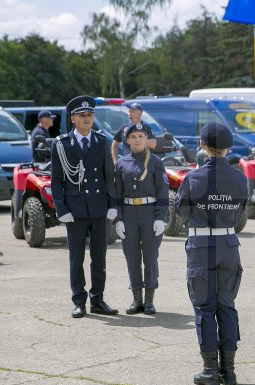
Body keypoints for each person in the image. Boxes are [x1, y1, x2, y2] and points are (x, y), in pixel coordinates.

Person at [174, 122, 248, 385]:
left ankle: (210, 371)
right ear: (227, 148)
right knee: (226, 305)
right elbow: (240, 211)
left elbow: (181, 213)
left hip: (202, 246)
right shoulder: (240, 177)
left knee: (205, 308)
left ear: (202, 146)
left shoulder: (192, 179)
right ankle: (229, 371)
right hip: (229, 245)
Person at [50, 95, 119, 318]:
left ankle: (97, 299)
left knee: (99, 258)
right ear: (73, 119)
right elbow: (57, 180)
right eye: (82, 115)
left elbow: (109, 176)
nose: (87, 119)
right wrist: (61, 208)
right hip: (75, 210)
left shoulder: (101, 141)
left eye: (90, 115)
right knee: (76, 258)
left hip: (98, 208)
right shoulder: (61, 144)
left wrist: (113, 204)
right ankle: (79, 300)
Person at [113, 122, 169, 315]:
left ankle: (150, 300)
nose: (137, 140)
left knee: (151, 257)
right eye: (133, 137)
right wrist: (117, 219)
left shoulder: (155, 162)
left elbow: (163, 191)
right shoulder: (121, 163)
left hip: (149, 213)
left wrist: (160, 217)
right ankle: (137, 300)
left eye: (141, 136)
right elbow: (116, 194)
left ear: (146, 139)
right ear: (127, 140)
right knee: (132, 257)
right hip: (128, 214)